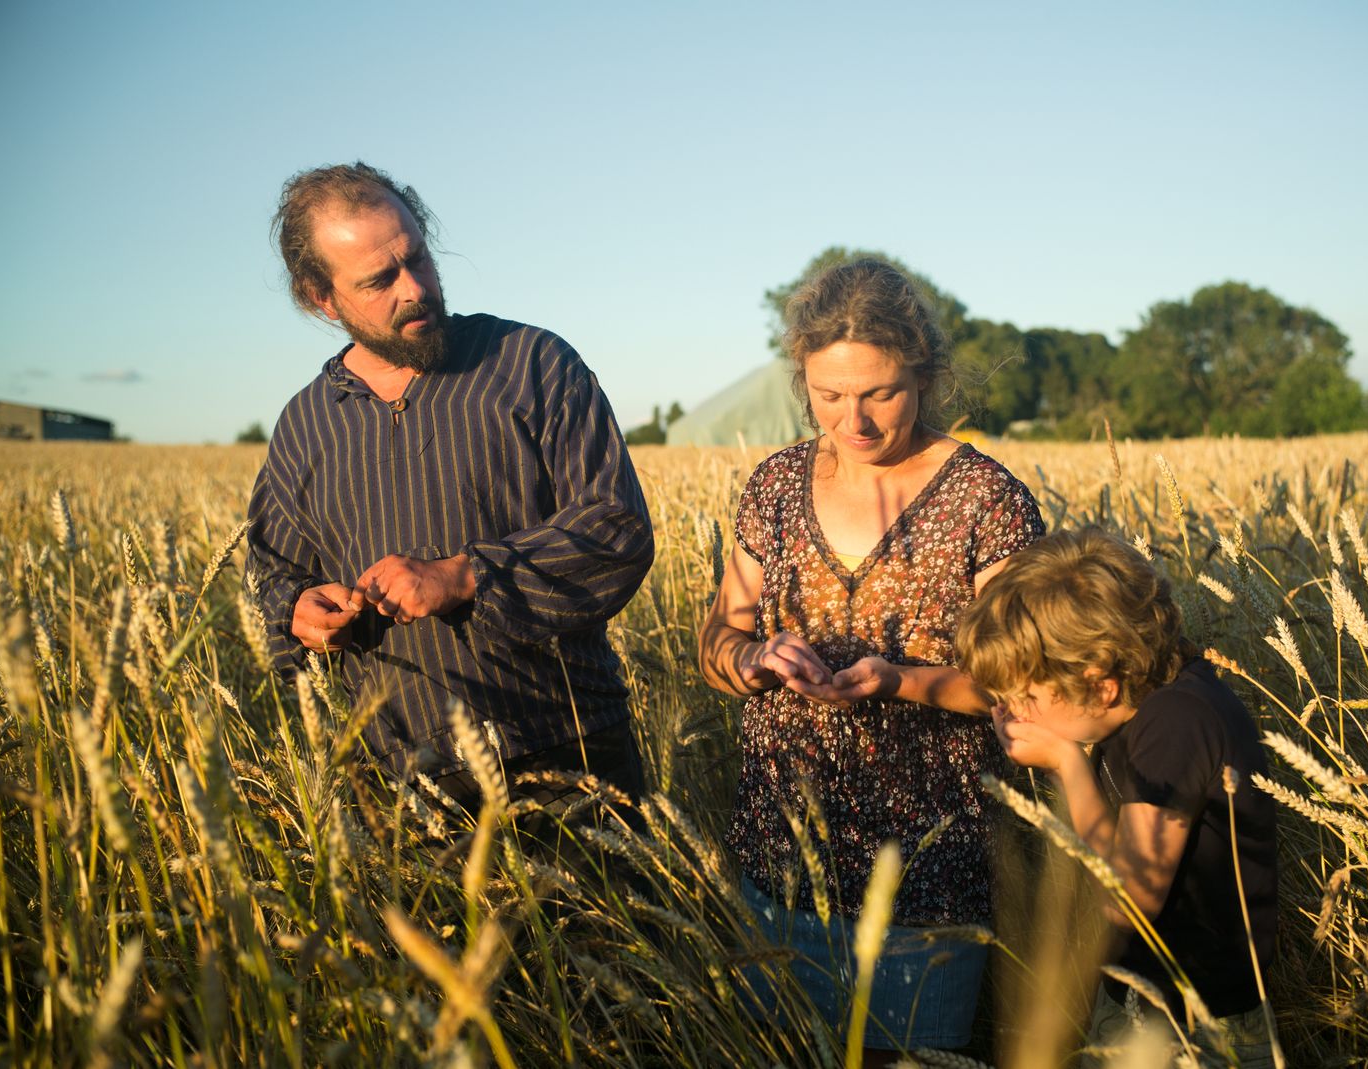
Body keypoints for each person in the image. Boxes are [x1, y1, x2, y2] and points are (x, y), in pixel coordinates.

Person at [697, 258, 1046, 1055]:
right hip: (780, 860)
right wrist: (752, 659)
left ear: (923, 375)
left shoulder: (986, 501)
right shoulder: (776, 485)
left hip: (927, 883)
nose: (852, 419)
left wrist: (901, 681)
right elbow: (716, 636)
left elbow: (1021, 692)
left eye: (878, 393)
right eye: (829, 396)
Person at [246, 162, 654, 817]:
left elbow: (618, 531)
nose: (414, 288)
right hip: (399, 787)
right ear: (321, 297)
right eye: (380, 279)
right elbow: (269, 575)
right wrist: (296, 611)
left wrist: (466, 577)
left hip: (570, 762)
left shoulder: (531, 364)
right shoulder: (304, 425)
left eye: (418, 259)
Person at [955, 527, 1279, 1068]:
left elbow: (1126, 901)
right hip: (1145, 998)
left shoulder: (1175, 724)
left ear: (1102, 684)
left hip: (1191, 1028)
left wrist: (1067, 765)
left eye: (1028, 696)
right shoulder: (1146, 700)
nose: (1018, 712)